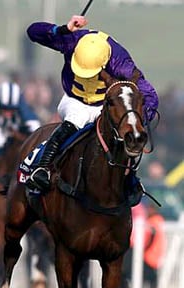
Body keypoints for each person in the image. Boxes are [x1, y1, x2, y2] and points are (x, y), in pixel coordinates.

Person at [25, 15, 159, 192]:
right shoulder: (72, 40)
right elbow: (33, 31)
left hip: (104, 105)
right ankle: (42, 168)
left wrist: (137, 121)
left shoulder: (121, 63)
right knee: (75, 121)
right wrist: (63, 29)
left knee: (121, 136)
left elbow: (150, 96)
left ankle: (130, 180)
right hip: (74, 99)